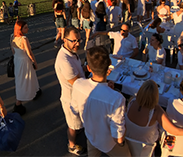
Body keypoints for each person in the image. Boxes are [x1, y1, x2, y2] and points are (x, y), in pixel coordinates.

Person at [70, 46, 131, 157]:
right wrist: (122, 144)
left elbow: (74, 110)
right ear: (109, 64)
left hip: (90, 136)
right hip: (109, 144)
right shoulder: (117, 98)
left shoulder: (78, 84)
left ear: (88, 68)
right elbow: (118, 136)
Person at [126, 80, 183, 154]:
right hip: (145, 148)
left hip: (128, 144)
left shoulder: (131, 100)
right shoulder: (156, 111)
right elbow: (175, 130)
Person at [54, 27, 87, 156]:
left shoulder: (71, 52)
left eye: (79, 40)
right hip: (71, 98)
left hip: (77, 96)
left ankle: (77, 133)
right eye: (74, 41)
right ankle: (72, 145)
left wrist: (85, 68)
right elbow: (76, 82)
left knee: (76, 123)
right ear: (64, 39)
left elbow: (78, 70)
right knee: (72, 125)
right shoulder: (64, 60)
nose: (77, 44)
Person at [10, 20, 41, 115]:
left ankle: (35, 90)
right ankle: (19, 101)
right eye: (25, 27)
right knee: (27, 78)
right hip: (24, 60)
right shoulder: (24, 39)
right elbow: (29, 53)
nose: (27, 29)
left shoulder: (12, 37)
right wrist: (34, 62)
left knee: (20, 79)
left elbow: (13, 51)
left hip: (17, 60)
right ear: (20, 29)